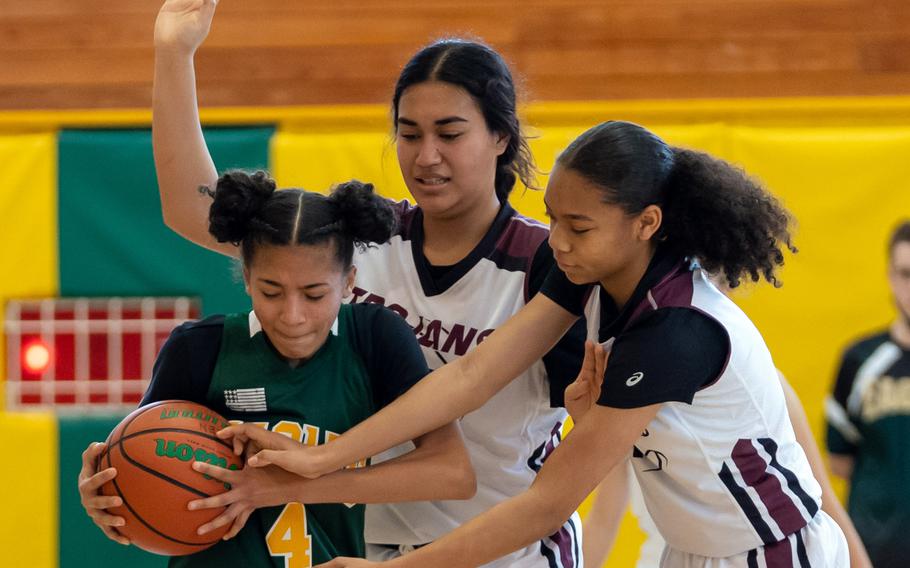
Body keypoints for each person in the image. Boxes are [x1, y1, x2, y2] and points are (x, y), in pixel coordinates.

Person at [228, 120, 852, 567]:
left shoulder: (675, 330)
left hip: (771, 547)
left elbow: (548, 504)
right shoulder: (585, 271)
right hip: (687, 545)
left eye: (578, 226)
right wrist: (322, 457)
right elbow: (473, 375)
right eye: (552, 217)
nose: (557, 240)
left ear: (647, 223)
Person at [151, 1, 588, 565]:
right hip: (366, 548)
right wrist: (173, 53)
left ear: (502, 136)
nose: (426, 156)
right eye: (409, 134)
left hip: (502, 549)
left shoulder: (548, 264)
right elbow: (194, 210)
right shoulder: (364, 233)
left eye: (449, 134)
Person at [76, 172, 476, 566]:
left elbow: (452, 472)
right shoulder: (198, 347)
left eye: (314, 294)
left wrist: (289, 487)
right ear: (246, 277)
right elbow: (137, 462)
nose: (293, 315)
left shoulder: (375, 338)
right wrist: (108, 494)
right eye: (271, 291)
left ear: (348, 281)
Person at [583, 370, 873, 568]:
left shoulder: (761, 381)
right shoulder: (629, 383)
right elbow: (603, 521)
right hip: (665, 558)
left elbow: (823, 505)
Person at [826, 219, 910, 568]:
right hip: (876, 553)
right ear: (891, 277)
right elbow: (839, 461)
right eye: (906, 274)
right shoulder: (860, 361)